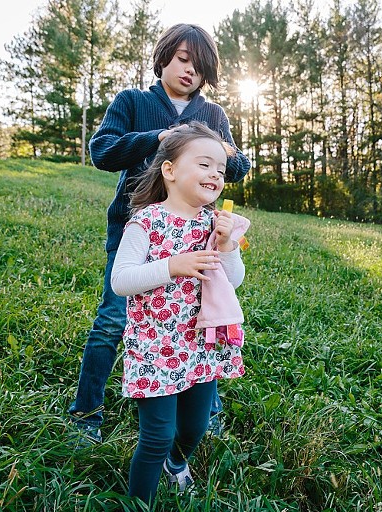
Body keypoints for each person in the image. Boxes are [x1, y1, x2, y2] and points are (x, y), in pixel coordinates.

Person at [68, 23, 250, 444]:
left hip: (195, 237)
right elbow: (103, 151)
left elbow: (236, 169)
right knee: (113, 319)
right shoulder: (132, 101)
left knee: (203, 317)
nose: (190, 71)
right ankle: (86, 412)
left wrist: (227, 153)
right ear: (164, 57)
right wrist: (158, 138)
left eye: (199, 66)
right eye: (183, 60)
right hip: (138, 229)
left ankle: (206, 410)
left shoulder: (213, 116)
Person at [110, 121, 248, 505]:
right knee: (156, 436)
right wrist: (172, 265)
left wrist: (226, 245)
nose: (215, 176)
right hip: (156, 346)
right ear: (169, 170)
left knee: (195, 427)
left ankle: (177, 461)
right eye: (204, 165)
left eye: (221, 170)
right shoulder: (146, 221)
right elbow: (121, 280)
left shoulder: (214, 224)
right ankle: (140, 501)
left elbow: (232, 280)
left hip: (202, 344)